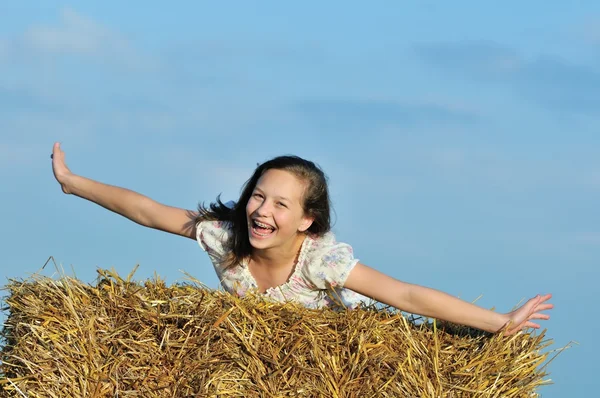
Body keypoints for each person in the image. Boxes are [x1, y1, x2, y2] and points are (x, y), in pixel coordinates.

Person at [51, 142, 552, 335]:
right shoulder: (225, 239)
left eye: (280, 205)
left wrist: (499, 321)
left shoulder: (321, 263)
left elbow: (405, 294)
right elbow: (146, 210)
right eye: (258, 196)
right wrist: (74, 184)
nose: (262, 211)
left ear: (306, 221)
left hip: (342, 345)